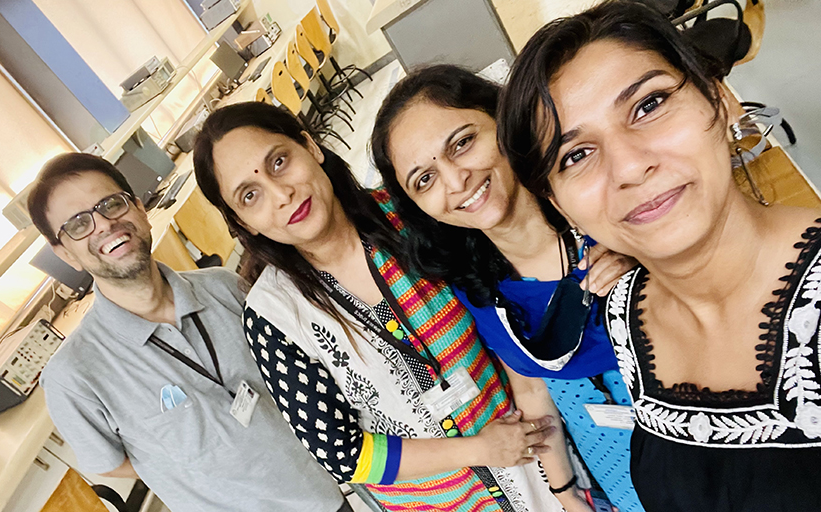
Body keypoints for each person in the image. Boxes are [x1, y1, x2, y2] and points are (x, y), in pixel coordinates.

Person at [499, 1, 821, 510]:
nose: (628, 166)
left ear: (720, 101)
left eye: (648, 105)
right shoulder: (626, 313)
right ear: (560, 204)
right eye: (575, 155)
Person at [191, 101, 584, 512]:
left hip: (540, 449)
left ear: (310, 146)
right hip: (441, 501)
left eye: (279, 162)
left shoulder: (413, 213)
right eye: (250, 196)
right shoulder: (273, 317)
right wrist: (478, 450)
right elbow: (344, 454)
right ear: (243, 222)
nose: (282, 194)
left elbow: (508, 286)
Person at [370, 64, 643, 512]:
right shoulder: (478, 290)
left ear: (503, 120)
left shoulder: (606, 211)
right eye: (425, 179)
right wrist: (567, 494)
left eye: (463, 143)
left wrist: (650, 257)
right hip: (616, 473)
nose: (456, 181)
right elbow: (534, 392)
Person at [27, 153, 348, 512]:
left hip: (321, 493)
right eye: (78, 224)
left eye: (111, 204)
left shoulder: (225, 288)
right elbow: (111, 463)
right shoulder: (73, 377)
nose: (103, 224)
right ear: (64, 252)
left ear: (139, 208)